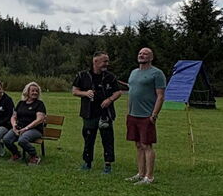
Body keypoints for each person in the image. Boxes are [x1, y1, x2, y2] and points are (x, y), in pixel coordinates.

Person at [71, 51, 124, 173]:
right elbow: (74, 91)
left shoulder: (110, 77)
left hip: (106, 113)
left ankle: (108, 165)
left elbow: (118, 92)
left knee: (107, 139)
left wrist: (109, 100)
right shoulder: (82, 75)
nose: (107, 64)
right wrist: (85, 93)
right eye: (105, 61)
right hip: (89, 113)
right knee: (88, 138)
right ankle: (87, 162)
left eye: (107, 61)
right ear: (95, 61)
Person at [125, 47, 166, 185]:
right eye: (140, 53)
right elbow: (132, 92)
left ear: (151, 57)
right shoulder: (133, 72)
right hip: (133, 114)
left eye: (145, 54)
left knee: (146, 145)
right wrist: (128, 111)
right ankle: (140, 173)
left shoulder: (157, 73)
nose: (142, 55)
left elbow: (160, 96)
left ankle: (149, 176)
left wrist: (154, 115)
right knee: (138, 145)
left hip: (146, 116)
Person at [2, 82, 47, 165]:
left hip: (34, 129)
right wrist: (14, 126)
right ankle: (16, 154)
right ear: (27, 92)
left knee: (22, 140)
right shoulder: (21, 103)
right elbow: (13, 116)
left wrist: (26, 128)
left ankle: (34, 156)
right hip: (20, 127)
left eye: (37, 91)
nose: (35, 93)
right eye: (33, 91)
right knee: (6, 139)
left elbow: (39, 119)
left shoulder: (39, 104)